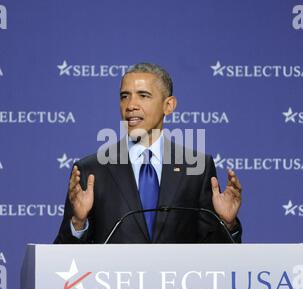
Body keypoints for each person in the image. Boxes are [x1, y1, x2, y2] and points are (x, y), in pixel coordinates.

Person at [54, 63, 242, 244]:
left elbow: (215, 258)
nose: (131, 105)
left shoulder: (197, 168)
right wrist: (78, 224)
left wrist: (227, 223)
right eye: (124, 96)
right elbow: (63, 261)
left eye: (143, 95)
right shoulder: (91, 170)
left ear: (169, 105)